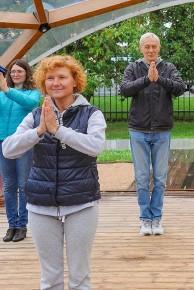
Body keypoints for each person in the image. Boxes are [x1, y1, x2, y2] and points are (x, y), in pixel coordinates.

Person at [2, 55, 106, 289]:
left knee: (79, 278)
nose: (55, 83)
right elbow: (8, 149)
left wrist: (58, 130)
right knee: (50, 279)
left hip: (81, 203)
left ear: (74, 81)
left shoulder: (92, 114)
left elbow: (95, 146)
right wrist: (39, 131)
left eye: (62, 77)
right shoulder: (36, 116)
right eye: (50, 78)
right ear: (43, 83)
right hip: (40, 204)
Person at [120, 32, 185, 236]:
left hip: (162, 130)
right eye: (147, 47)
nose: (150, 50)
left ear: (159, 48)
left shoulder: (168, 68)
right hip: (138, 130)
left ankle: (156, 218)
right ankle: (144, 219)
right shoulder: (133, 68)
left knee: (159, 178)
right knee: (141, 178)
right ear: (141, 48)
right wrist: (146, 80)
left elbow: (180, 88)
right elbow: (125, 89)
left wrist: (160, 80)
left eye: (153, 46)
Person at [0, 59, 40, 242]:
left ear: (26, 73)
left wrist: (8, 91)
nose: (15, 74)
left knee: (23, 184)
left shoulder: (32, 93)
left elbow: (30, 104)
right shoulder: (2, 94)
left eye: (19, 71)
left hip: (22, 143)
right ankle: (12, 225)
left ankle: (22, 225)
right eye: (13, 71)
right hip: (4, 142)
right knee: (8, 185)